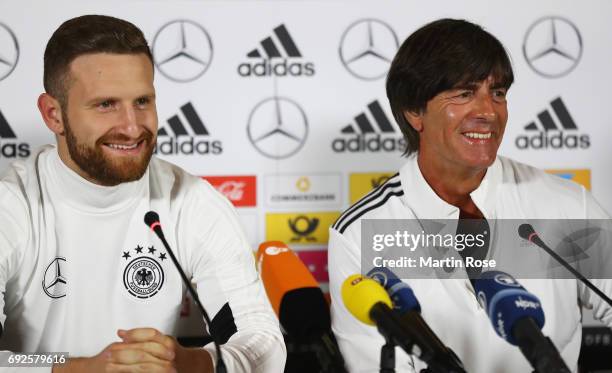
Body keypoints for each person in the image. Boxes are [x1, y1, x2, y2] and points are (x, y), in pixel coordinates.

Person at [0, 15, 285, 372]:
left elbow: (263, 341)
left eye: (142, 101)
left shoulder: (191, 200)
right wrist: (84, 368)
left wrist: (191, 363)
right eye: (106, 104)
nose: (132, 127)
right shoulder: (10, 206)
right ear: (53, 114)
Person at [328, 18, 612, 372]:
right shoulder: (360, 232)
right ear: (414, 111)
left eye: (497, 93)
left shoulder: (567, 205)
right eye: (464, 93)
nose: (488, 112)